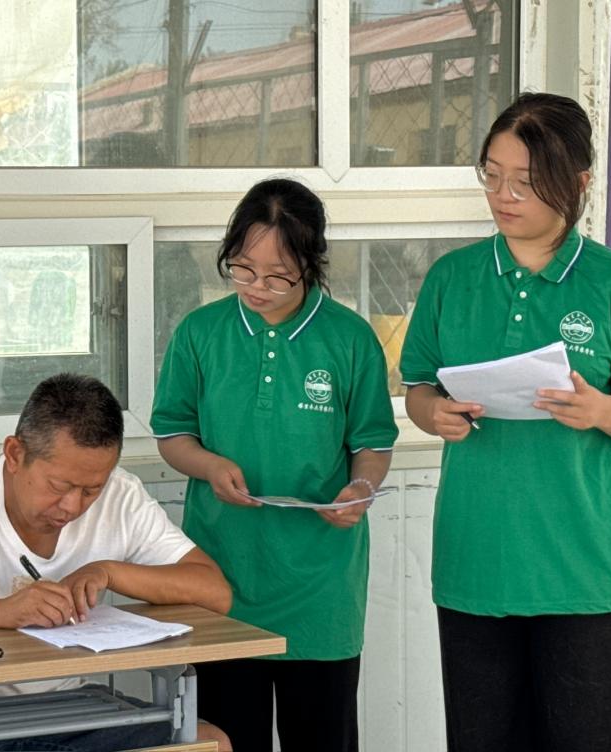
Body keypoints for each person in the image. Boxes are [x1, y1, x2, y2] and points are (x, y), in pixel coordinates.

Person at [400, 92, 611, 751]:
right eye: (492, 174)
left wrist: (601, 410)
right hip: (477, 567)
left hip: (586, 573)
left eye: (524, 181)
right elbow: (418, 388)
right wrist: (433, 413)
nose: (503, 195)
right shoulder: (451, 278)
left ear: (577, 183)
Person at [0, 373, 234, 752]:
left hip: (69, 705)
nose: (73, 506)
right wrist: (0, 612)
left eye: (91, 490)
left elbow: (214, 592)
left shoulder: (122, 497)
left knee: (210, 743)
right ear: (15, 454)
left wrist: (108, 571)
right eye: (59, 486)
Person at [150, 177, 398, 752]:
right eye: (242, 269)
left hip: (321, 586)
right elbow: (172, 434)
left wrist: (360, 486)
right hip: (222, 577)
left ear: (312, 264)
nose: (257, 287)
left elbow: (372, 442)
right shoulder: (200, 333)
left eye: (278, 275)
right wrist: (208, 466)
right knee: (227, 739)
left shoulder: (350, 339)